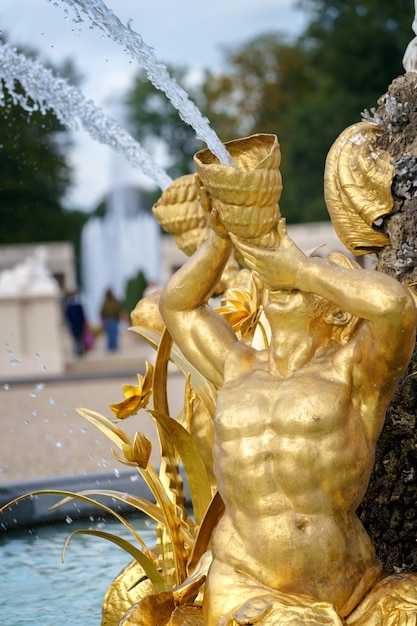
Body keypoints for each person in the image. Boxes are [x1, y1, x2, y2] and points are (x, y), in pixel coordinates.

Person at [159, 216, 417, 625]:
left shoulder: (354, 375)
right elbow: (177, 305)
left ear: (338, 313)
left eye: (306, 282)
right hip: (245, 582)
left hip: (352, 587)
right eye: (281, 275)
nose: (284, 275)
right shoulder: (236, 366)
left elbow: (396, 307)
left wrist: (303, 270)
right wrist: (219, 236)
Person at [64, 290, 86, 357]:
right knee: (79, 338)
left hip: (74, 325)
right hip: (78, 324)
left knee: (76, 338)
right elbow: (82, 315)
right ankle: (80, 351)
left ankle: (78, 351)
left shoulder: (69, 306)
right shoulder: (78, 305)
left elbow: (68, 317)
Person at [100, 287, 123, 352]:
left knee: (112, 334)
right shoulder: (107, 301)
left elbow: (119, 308)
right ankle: (111, 348)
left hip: (113, 319)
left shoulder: (109, 301)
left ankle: (113, 348)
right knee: (111, 334)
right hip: (110, 319)